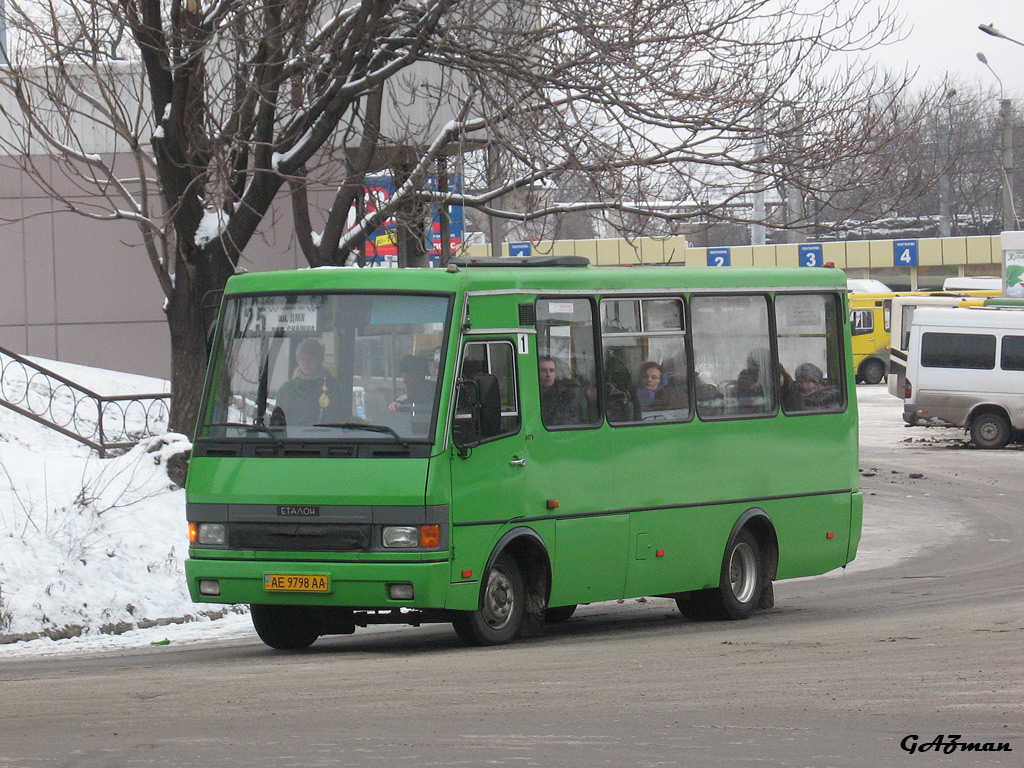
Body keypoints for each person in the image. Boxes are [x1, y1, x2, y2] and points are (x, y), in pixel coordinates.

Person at [274, 337, 342, 425]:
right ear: (298, 361)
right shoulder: (287, 389)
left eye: (311, 359)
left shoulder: (332, 387)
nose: (306, 363)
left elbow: (337, 418)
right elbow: (277, 420)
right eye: (303, 359)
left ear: (319, 361)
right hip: (290, 438)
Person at [538, 355, 588, 426]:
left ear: (555, 374)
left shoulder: (566, 394)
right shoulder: (531, 394)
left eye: (551, 370)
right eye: (543, 370)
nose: (548, 374)